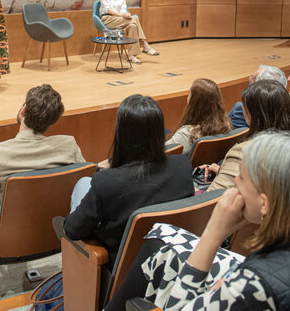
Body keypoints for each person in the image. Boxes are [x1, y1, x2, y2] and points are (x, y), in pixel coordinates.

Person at [105, 131, 290, 311]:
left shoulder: (254, 284)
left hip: (263, 291)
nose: (235, 181)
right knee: (162, 238)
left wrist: (214, 231)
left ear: (266, 203)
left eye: (242, 178)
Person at [63, 95, 194, 265]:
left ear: (121, 134)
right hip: (170, 263)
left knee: (83, 183)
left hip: (120, 274)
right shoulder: (183, 166)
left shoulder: (106, 183)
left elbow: (72, 230)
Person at [0, 84, 85, 202]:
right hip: (60, 222)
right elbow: (83, 179)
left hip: (15, 225)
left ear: (23, 109)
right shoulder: (69, 145)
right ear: (52, 120)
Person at [205, 79, 290, 191]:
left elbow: (213, 198)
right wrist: (224, 171)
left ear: (255, 114)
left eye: (245, 105)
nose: (241, 107)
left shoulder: (244, 153)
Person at [99, 0, 158, 64]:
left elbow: (123, 10)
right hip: (107, 20)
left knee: (133, 25)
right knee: (135, 19)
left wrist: (126, 14)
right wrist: (121, 15)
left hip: (120, 21)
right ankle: (145, 45)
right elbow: (107, 9)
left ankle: (131, 55)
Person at [166, 78, 232, 156]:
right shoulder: (226, 126)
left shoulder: (187, 134)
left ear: (194, 101)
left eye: (189, 94)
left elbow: (160, 154)